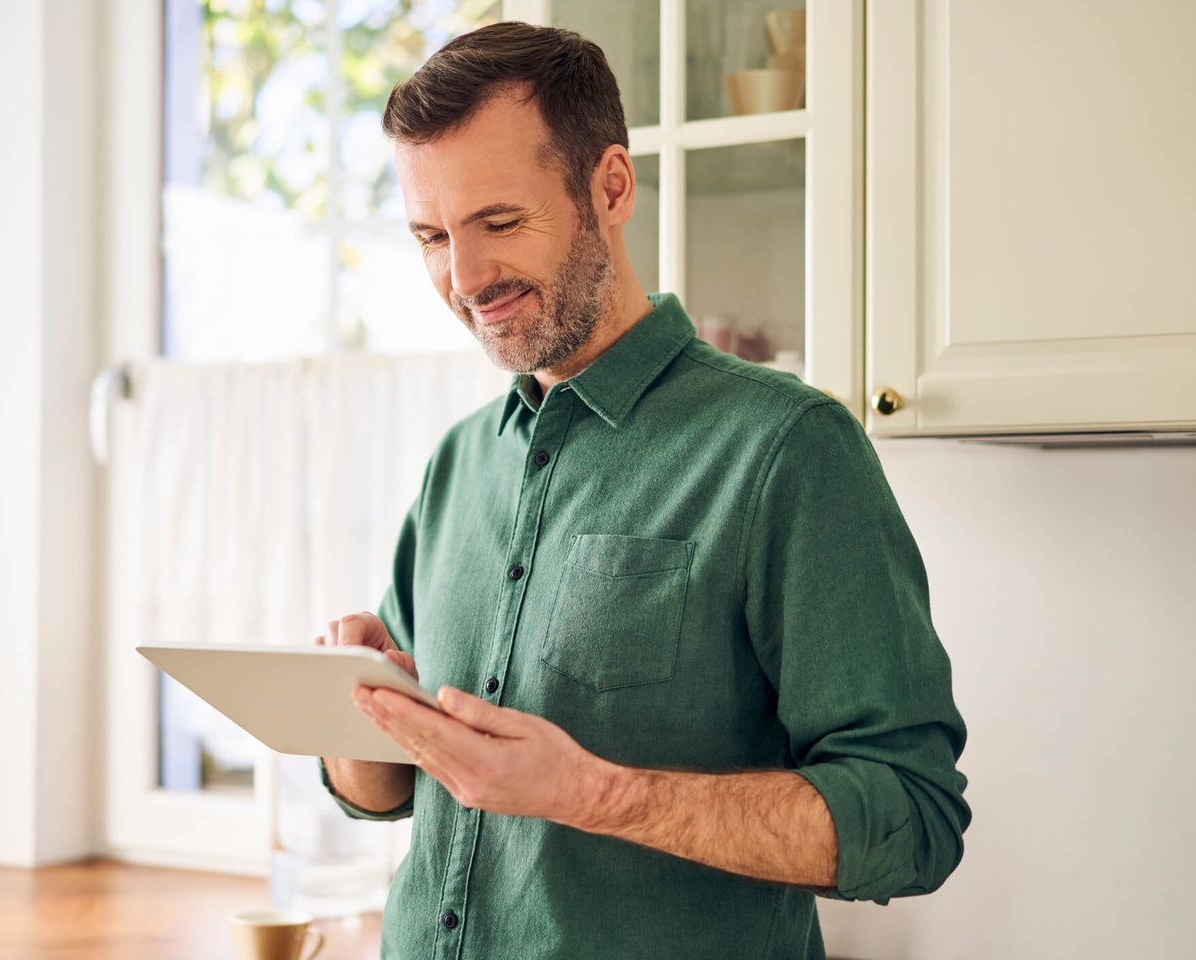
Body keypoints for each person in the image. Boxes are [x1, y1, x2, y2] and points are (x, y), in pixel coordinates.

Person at [316, 21, 970, 960]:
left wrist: (590, 792)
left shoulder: (786, 449)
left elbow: (911, 816)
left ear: (611, 188)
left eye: (499, 223)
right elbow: (392, 791)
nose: (464, 279)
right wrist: (363, 706)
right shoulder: (460, 461)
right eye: (431, 236)